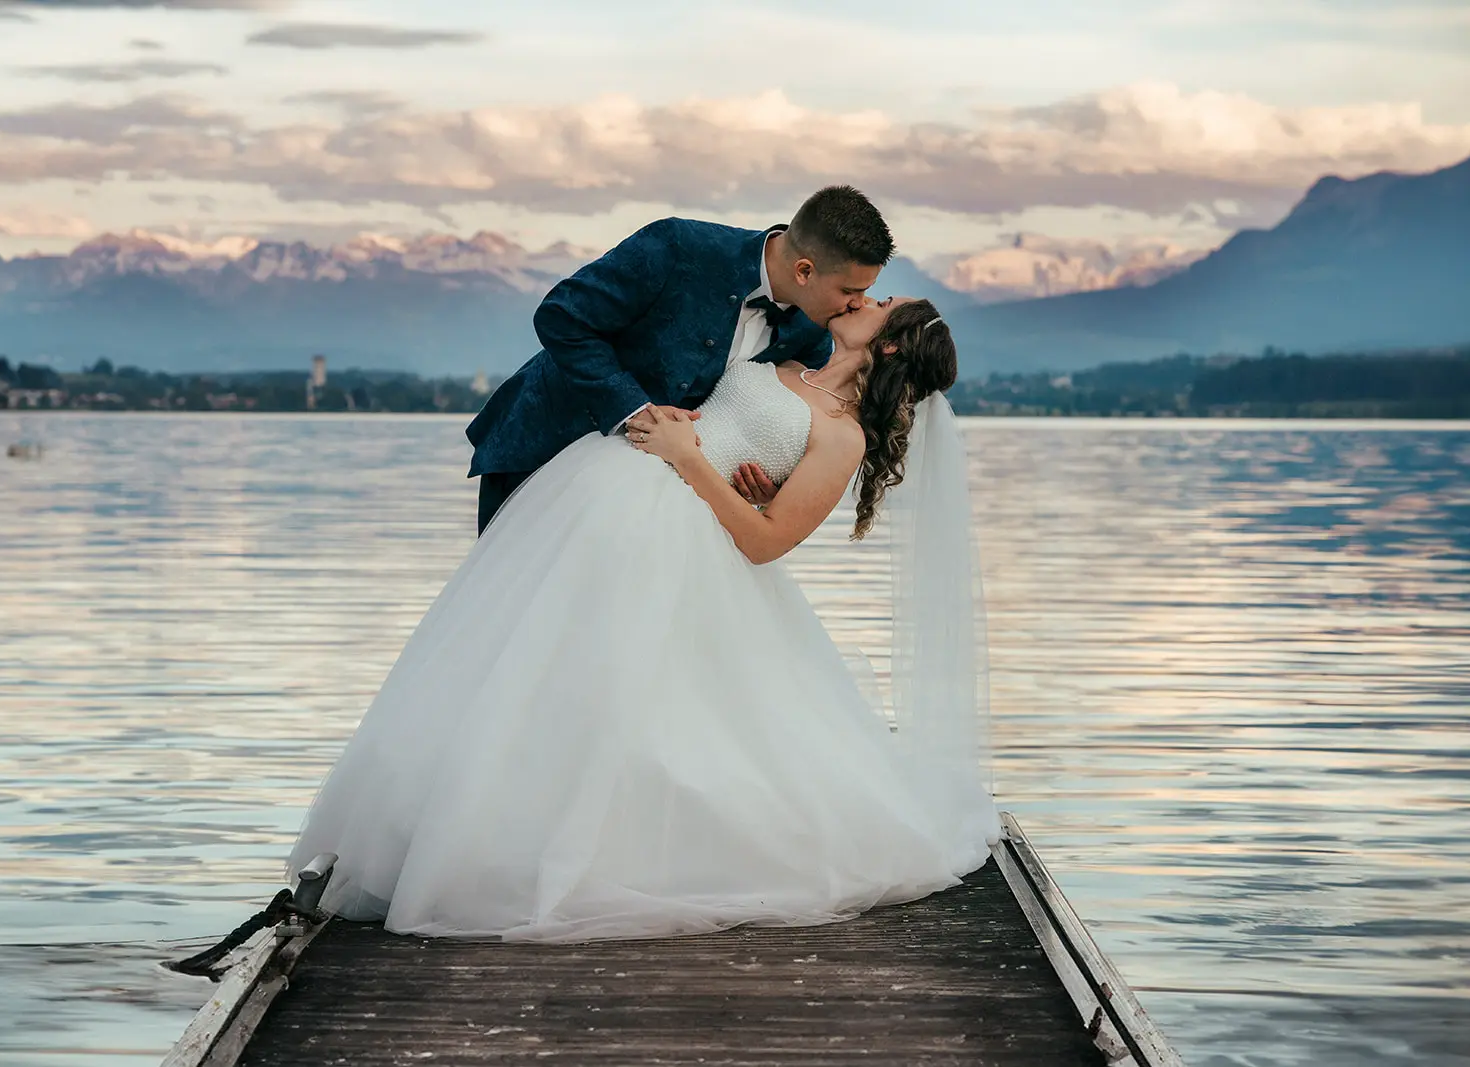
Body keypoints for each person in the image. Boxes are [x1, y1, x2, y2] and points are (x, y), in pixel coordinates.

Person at [285, 289, 998, 943]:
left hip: (679, 543)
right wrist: (717, 467)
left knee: (634, 702)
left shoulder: (843, 436)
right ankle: (476, 833)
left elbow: (766, 541)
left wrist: (695, 463)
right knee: (533, 676)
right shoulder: (787, 355)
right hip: (602, 494)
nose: (861, 297)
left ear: (894, 346)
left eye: (881, 302)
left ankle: (596, 853)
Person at [465, 185, 892, 533]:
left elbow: (792, 422)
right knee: (511, 619)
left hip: (647, 510)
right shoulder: (677, 246)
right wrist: (633, 409)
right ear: (804, 270)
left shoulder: (814, 325)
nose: (858, 304)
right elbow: (561, 316)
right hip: (543, 451)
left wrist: (771, 487)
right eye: (849, 291)